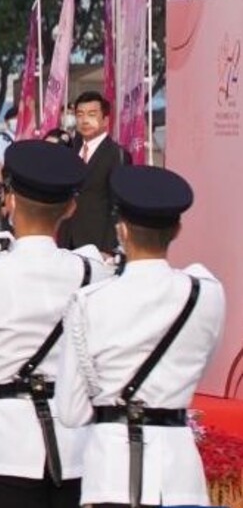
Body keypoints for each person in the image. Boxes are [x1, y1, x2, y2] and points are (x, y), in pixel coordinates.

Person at [0, 140, 110, 508]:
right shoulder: (93, 271)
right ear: (71, 207)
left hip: (5, 442)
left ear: (10, 201)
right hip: (77, 442)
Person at [56, 165, 226, 508]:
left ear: (122, 230)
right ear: (177, 229)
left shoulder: (90, 301)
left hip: (111, 474)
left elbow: (71, 411)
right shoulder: (206, 294)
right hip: (178, 475)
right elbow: (202, 363)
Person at [58, 92, 126, 257]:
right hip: (67, 240)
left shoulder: (116, 154)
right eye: (80, 115)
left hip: (99, 244)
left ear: (105, 120)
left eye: (92, 114)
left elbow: (117, 205)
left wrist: (109, 248)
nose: (85, 120)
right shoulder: (70, 150)